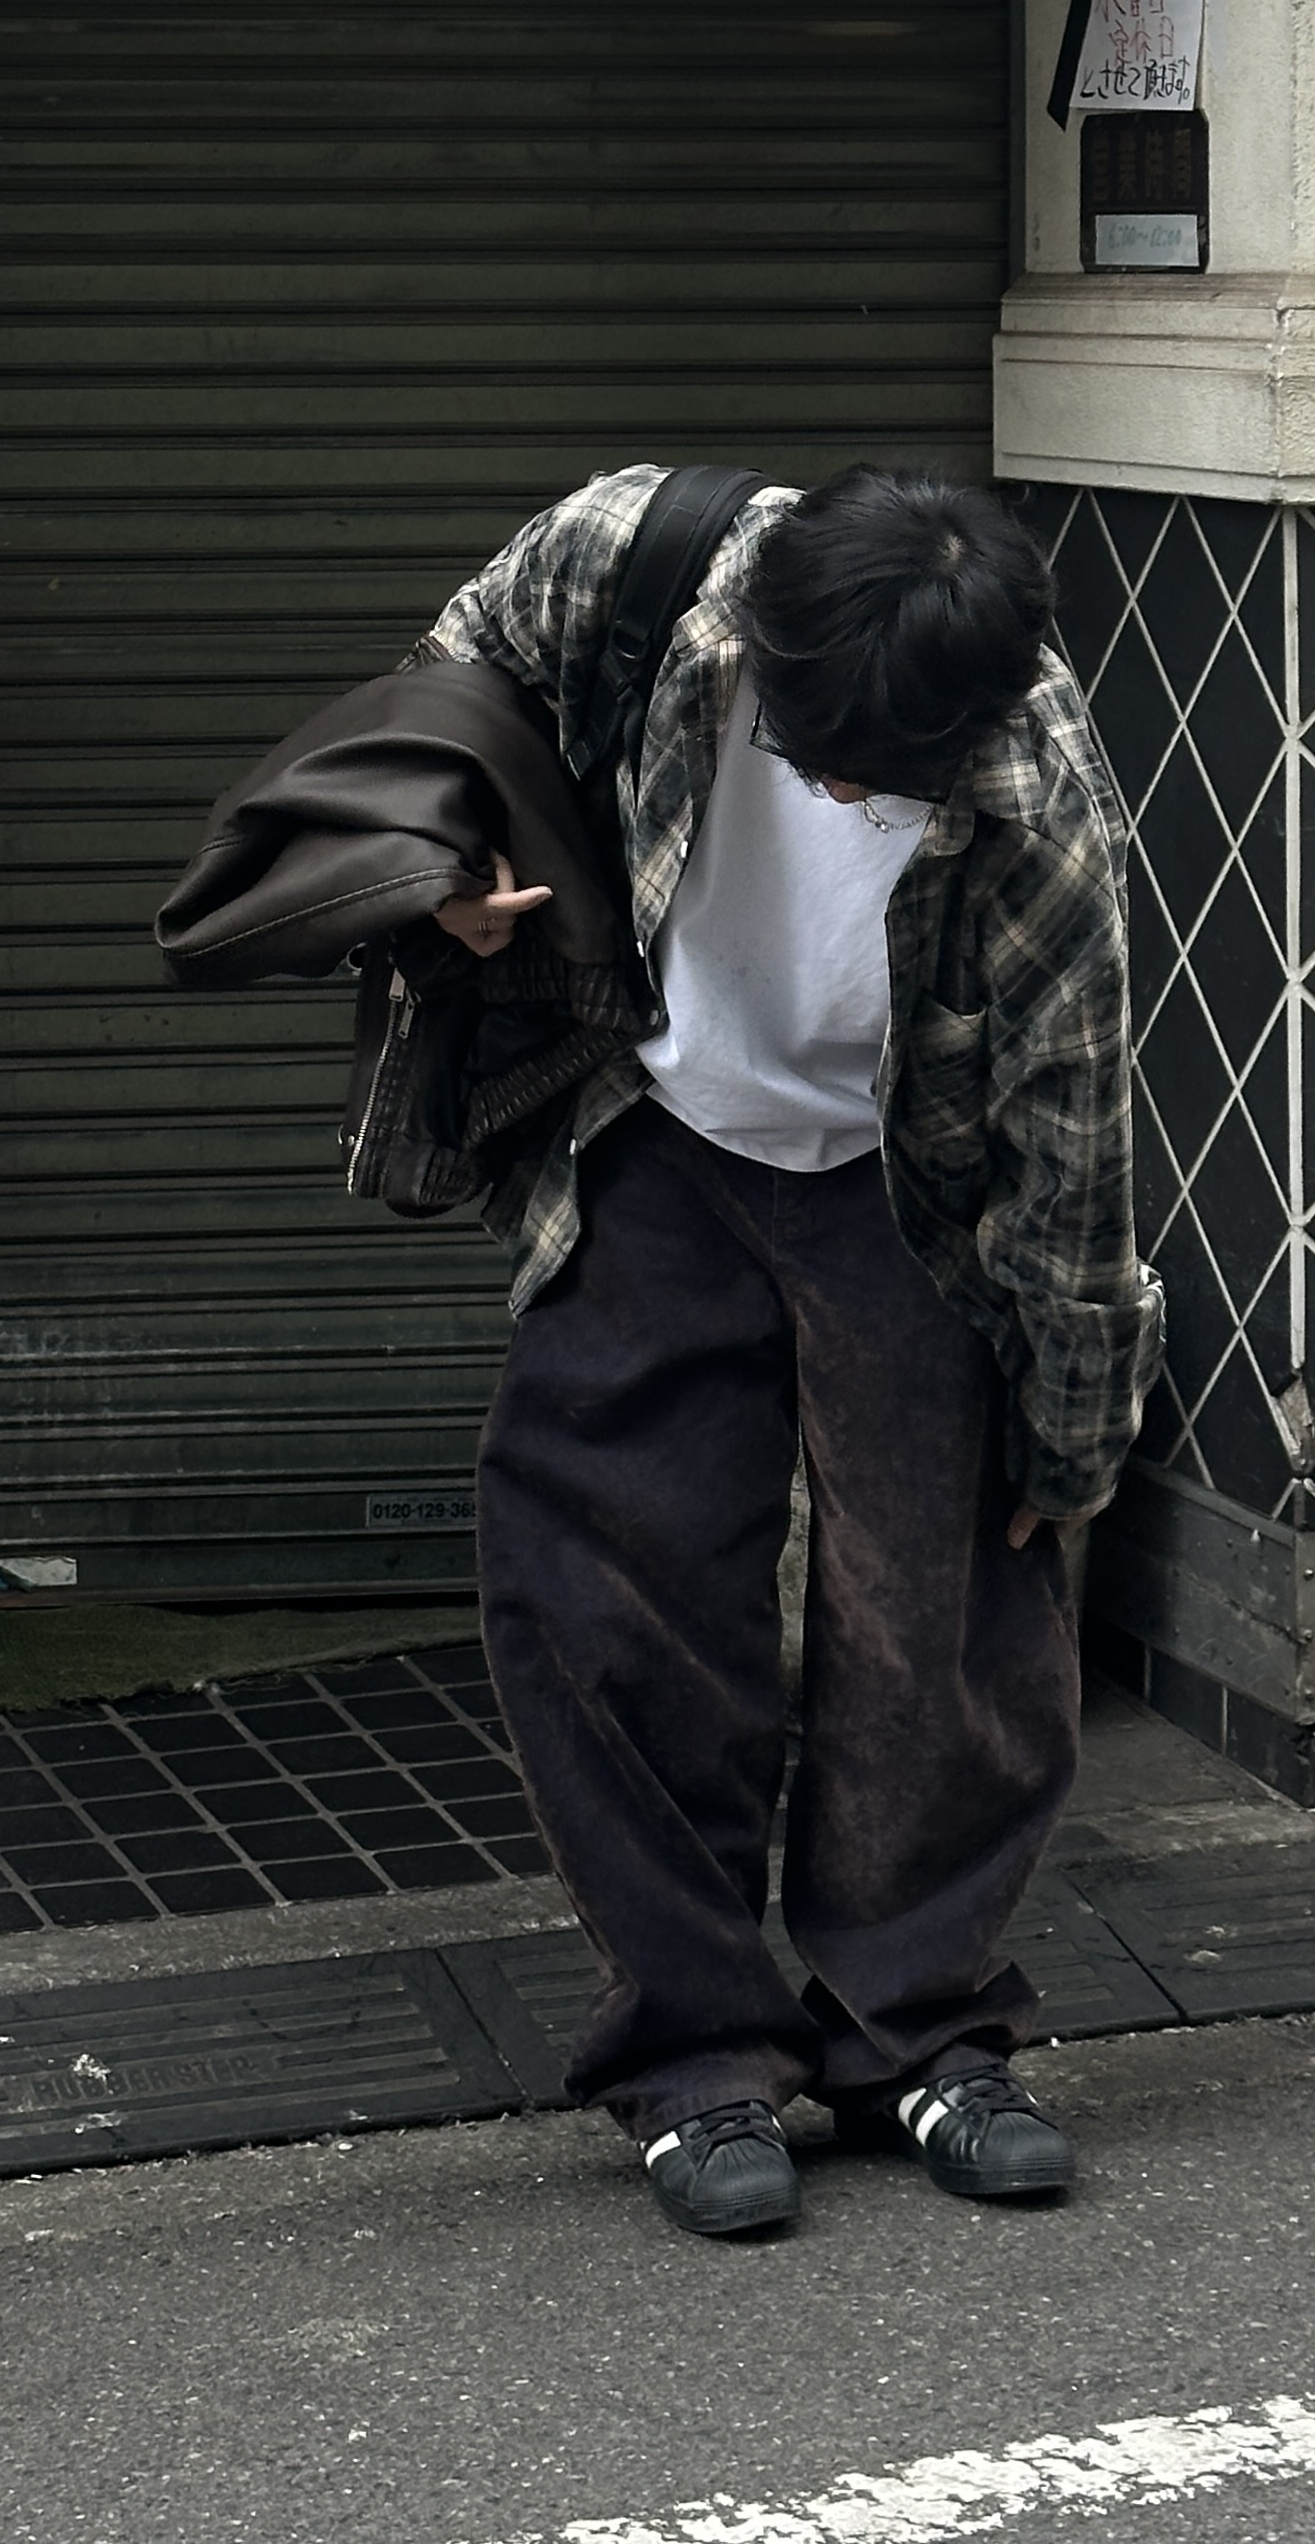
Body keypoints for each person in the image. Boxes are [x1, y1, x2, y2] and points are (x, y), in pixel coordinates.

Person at [422, 462, 1162, 2236]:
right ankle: (694, 2051)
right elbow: (452, 676)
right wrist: (448, 860)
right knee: (607, 1580)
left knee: (946, 1615)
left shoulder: (1038, 797)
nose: (837, 798)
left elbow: (1075, 1139)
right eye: (815, 757)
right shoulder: (637, 560)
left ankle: (920, 2027)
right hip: (659, 1130)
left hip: (903, 1183)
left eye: (877, 785)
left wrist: (1068, 1438)